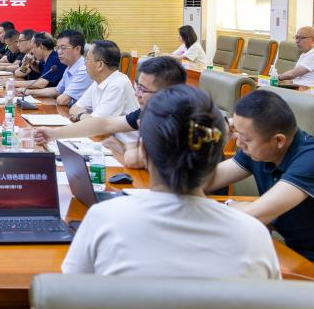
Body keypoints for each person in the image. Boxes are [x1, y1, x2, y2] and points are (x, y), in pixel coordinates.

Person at [62, 85, 280, 279]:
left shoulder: (105, 219)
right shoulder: (253, 235)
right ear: (216, 155)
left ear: (143, 151)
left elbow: (69, 298)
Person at [205, 90, 314, 271]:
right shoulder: (259, 149)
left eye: (245, 138)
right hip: (301, 260)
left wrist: (229, 205)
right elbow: (204, 180)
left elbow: (254, 215)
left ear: (278, 140)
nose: (238, 143)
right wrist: (217, 136)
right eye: (237, 133)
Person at [36, 55, 186, 168]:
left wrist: (124, 147)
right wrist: (54, 134)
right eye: (137, 86)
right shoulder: (149, 111)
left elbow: (134, 160)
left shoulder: (180, 119)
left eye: (143, 89)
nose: (136, 94)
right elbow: (104, 124)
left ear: (168, 93)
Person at [66, 40, 140, 147]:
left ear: (100, 65)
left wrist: (80, 115)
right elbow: (74, 108)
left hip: (126, 147)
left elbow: (96, 126)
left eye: (87, 59)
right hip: (106, 141)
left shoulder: (118, 84)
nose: (84, 63)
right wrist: (86, 117)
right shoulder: (99, 81)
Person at [23, 30, 90, 105]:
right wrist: (28, 92)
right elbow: (57, 90)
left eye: (63, 48)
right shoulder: (70, 66)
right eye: (58, 48)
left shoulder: (84, 70)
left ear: (77, 49)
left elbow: (63, 100)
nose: (59, 52)